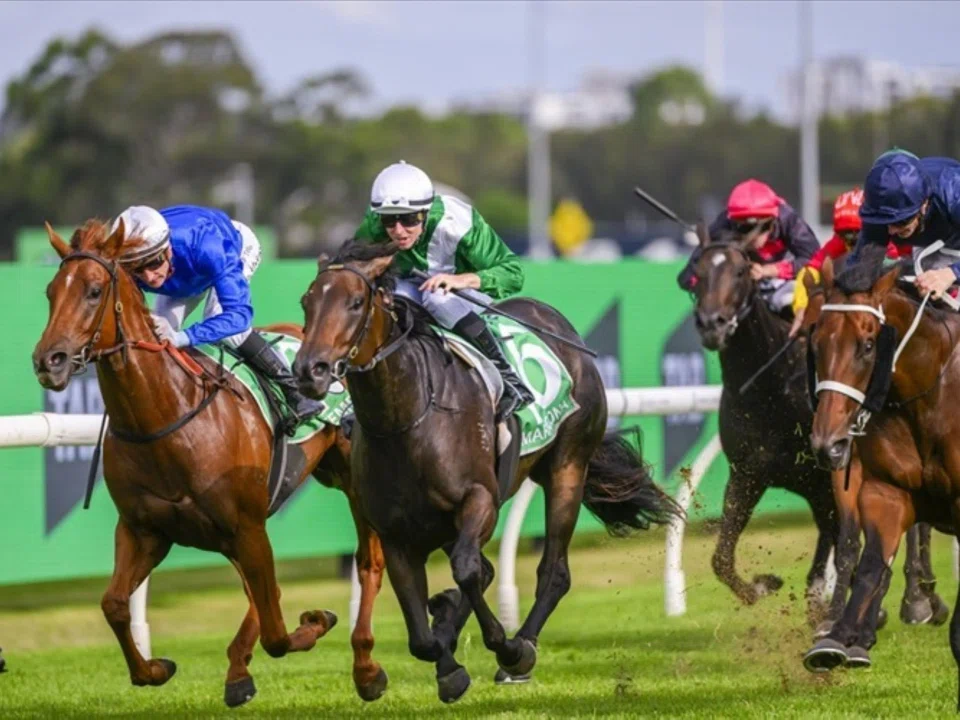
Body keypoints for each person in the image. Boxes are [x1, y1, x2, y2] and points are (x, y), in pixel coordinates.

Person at [111, 205, 324, 433]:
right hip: (184, 271)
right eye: (137, 270)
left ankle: (295, 393)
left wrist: (184, 337)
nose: (150, 278)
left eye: (153, 263)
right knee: (155, 339)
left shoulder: (209, 248)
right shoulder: (125, 265)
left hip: (232, 247)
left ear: (168, 250)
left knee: (222, 323)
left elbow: (238, 317)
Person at [354, 160, 535, 422]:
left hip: (465, 294)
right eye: (389, 221)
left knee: (437, 298)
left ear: (425, 212)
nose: (398, 231)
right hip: (411, 289)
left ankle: (508, 377)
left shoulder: (456, 222)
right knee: (391, 301)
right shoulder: (373, 225)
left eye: (409, 219)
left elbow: (513, 273)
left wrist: (462, 279)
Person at [678, 179, 820, 316]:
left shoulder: (788, 219)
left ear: (773, 221)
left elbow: (816, 261)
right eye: (744, 228)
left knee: (790, 299)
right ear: (732, 222)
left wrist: (770, 270)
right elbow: (687, 277)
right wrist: (707, 279)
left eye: (760, 227)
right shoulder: (723, 224)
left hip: (786, 282)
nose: (752, 236)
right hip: (744, 290)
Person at [789, 187, 912, 335]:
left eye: (858, 233)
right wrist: (802, 307)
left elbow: (889, 269)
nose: (852, 240)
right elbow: (810, 269)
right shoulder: (838, 241)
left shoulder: (886, 235)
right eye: (845, 235)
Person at [849, 148, 960, 300]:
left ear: (924, 203)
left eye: (900, 221)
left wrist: (952, 273)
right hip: (934, 243)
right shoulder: (880, 209)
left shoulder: (953, 194)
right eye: (884, 223)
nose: (892, 230)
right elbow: (860, 268)